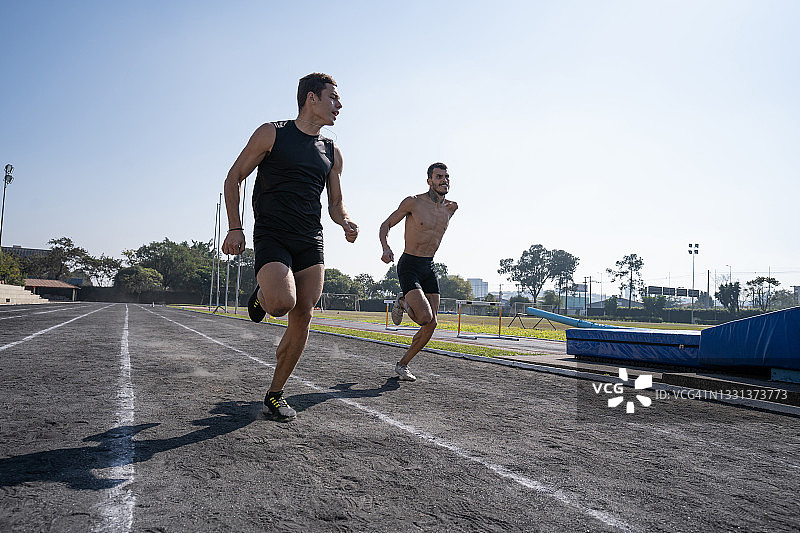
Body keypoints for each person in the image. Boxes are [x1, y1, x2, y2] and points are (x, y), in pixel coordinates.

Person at [222, 73, 358, 421]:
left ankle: (275, 393)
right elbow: (234, 176)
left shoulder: (331, 151)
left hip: (310, 239)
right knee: (283, 303)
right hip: (273, 234)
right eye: (333, 98)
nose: (339, 106)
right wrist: (235, 227)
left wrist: (344, 221)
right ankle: (263, 295)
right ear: (311, 98)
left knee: (304, 315)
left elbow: (335, 202)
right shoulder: (273, 133)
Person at [378, 162, 458, 381]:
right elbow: (386, 224)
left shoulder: (451, 208)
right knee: (424, 317)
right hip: (409, 264)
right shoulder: (413, 202)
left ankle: (403, 365)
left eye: (447, 177)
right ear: (429, 181)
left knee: (431, 325)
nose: (444, 180)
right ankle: (403, 301)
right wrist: (386, 247)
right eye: (439, 177)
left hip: (429, 266)